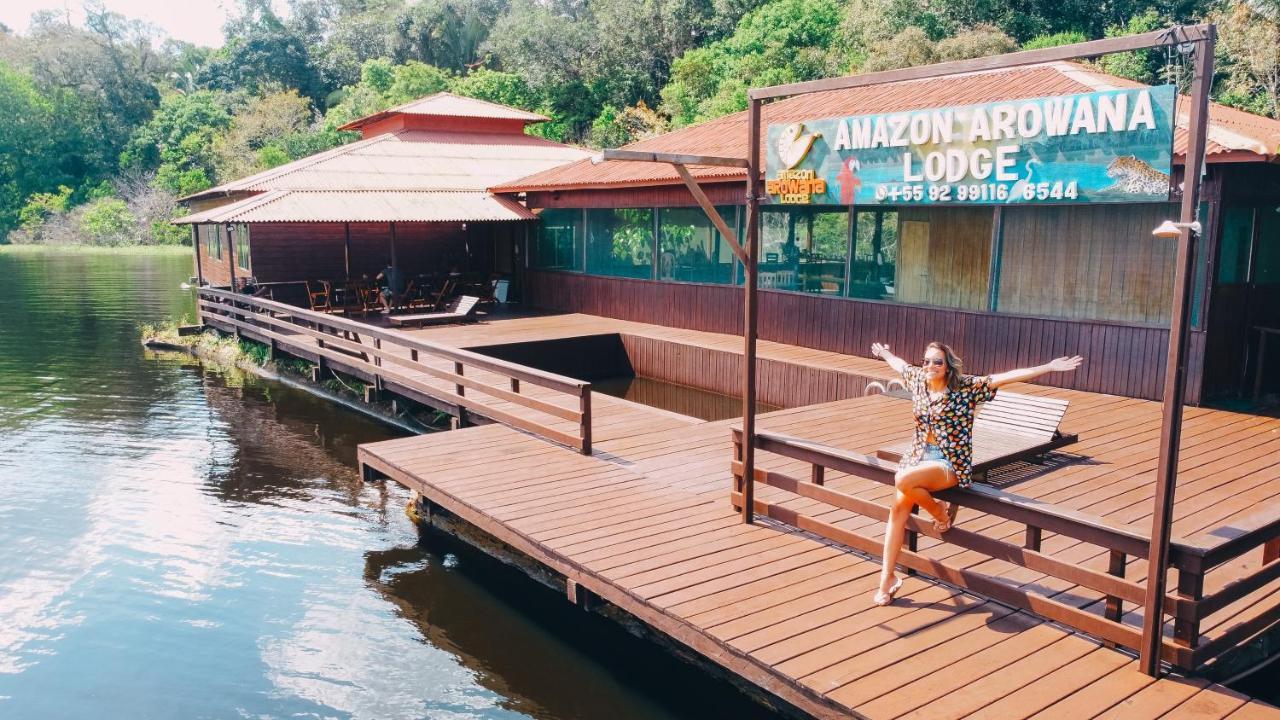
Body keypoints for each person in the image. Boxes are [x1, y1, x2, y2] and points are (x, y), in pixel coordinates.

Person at [868, 341, 1083, 606]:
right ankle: (886, 579)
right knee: (898, 510)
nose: (930, 366)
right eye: (926, 361)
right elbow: (900, 365)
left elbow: (1005, 377)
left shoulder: (965, 388)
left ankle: (939, 514)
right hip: (918, 456)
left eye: (937, 362)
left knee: (902, 479)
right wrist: (885, 352)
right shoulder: (918, 381)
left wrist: (1049, 367)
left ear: (948, 367)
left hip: (949, 463)